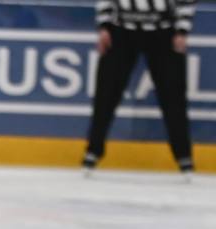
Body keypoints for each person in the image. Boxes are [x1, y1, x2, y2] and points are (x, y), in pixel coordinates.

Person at [83, 0, 196, 176]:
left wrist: (182, 31)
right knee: (105, 95)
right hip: (121, 32)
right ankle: (93, 151)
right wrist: (104, 27)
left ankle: (184, 156)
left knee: (173, 97)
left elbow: (187, 2)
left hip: (164, 32)